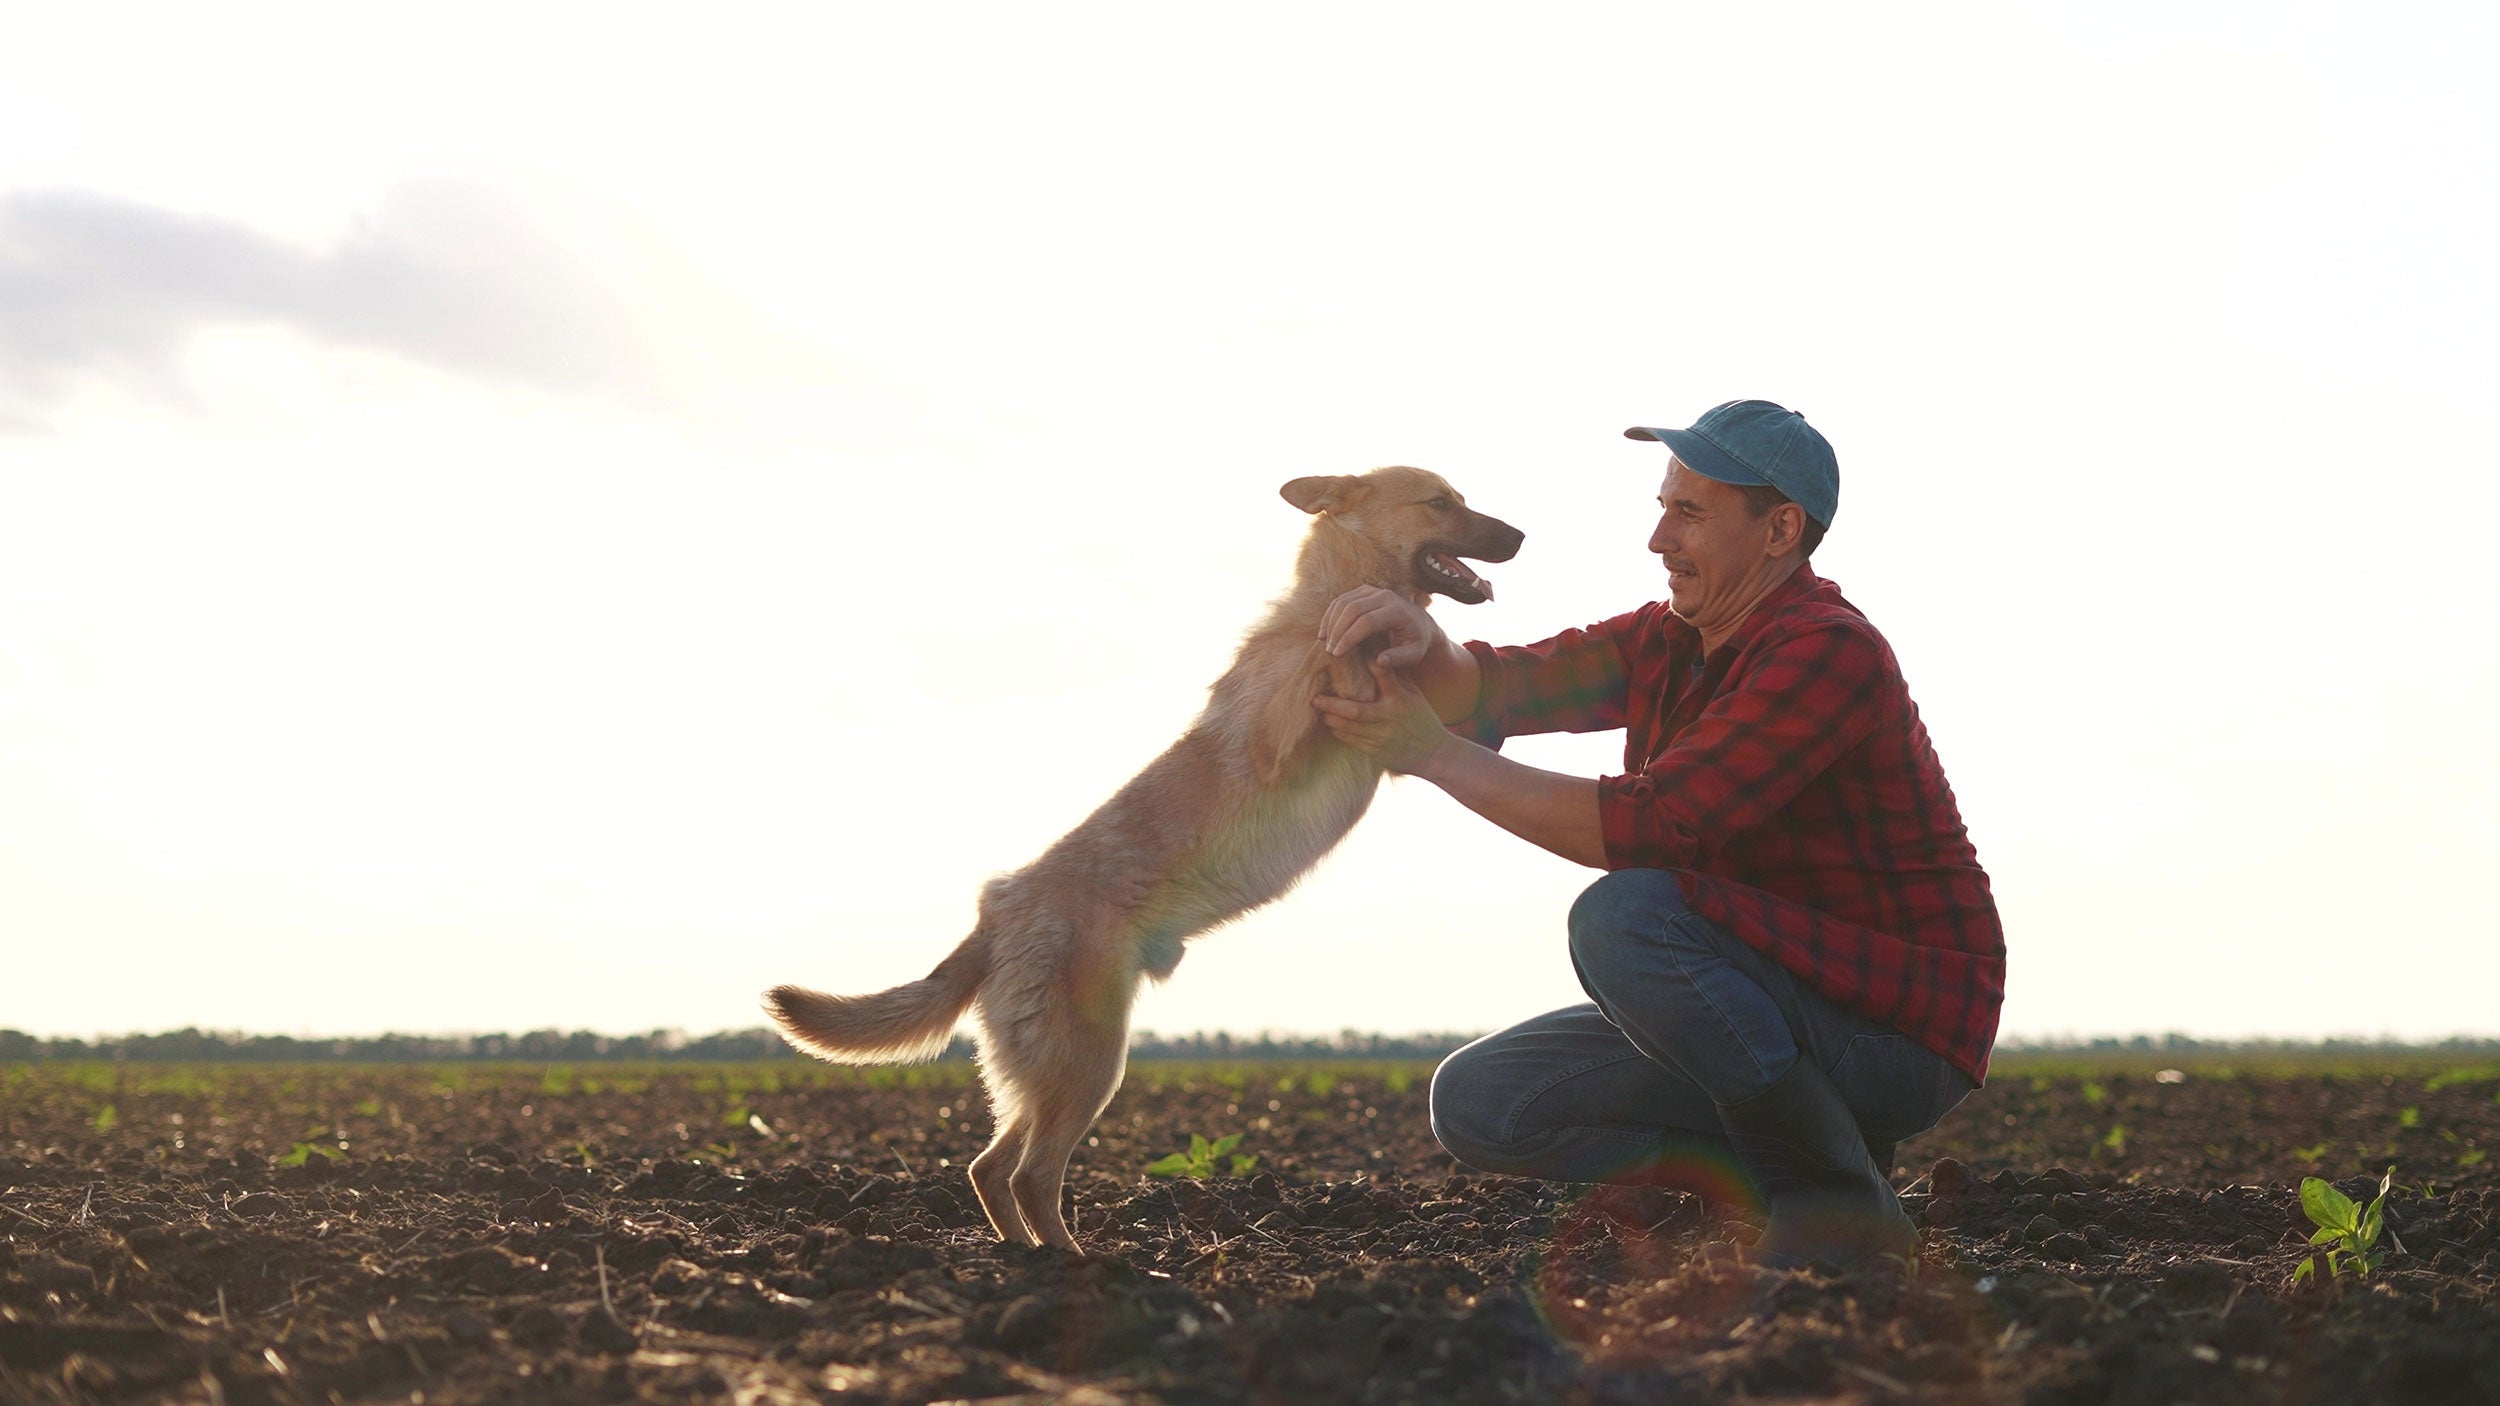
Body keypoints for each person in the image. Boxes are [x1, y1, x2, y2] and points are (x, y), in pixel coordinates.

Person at [1310, 400, 2003, 1269]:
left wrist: (1432, 753)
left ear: (1781, 529)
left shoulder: (1829, 652)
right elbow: (1497, 687)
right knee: (1483, 1104)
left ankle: (1836, 1208)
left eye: (1690, 513)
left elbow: (1653, 826)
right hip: (1761, 996)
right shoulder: (1669, 639)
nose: (1659, 539)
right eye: (1663, 508)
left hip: (1889, 1031)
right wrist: (1424, 638)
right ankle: (1794, 1166)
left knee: (1626, 918)